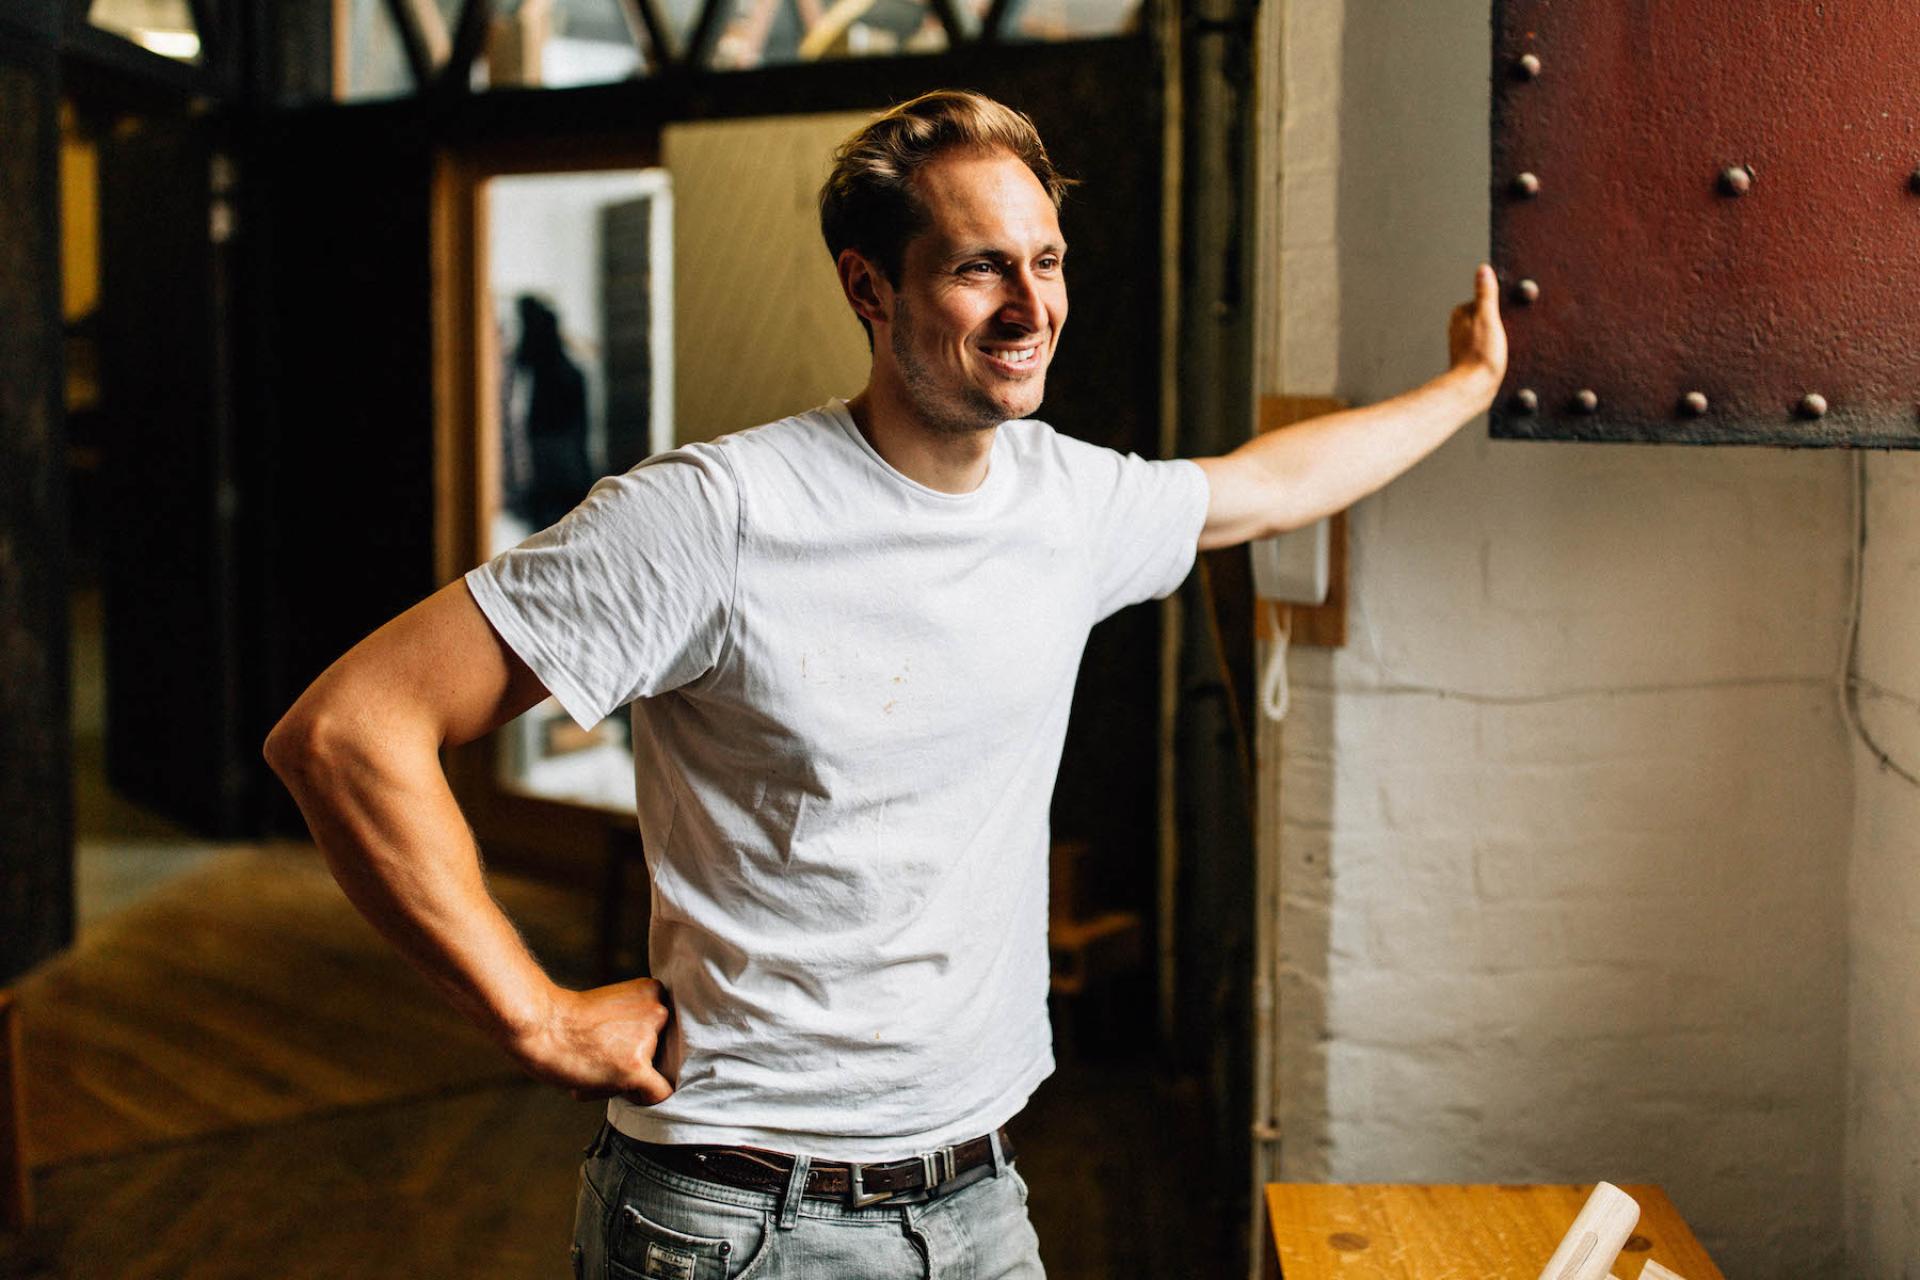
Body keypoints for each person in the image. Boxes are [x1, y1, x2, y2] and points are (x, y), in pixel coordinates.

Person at [264, 89, 1506, 1279]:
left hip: (978, 1194)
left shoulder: (1066, 500)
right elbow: (349, 730)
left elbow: (1266, 487)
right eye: (980, 268)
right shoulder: (715, 516)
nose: (1031, 305)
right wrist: (534, 1015)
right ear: (870, 286)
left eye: (1048, 261)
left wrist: (1467, 389)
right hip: (741, 1216)